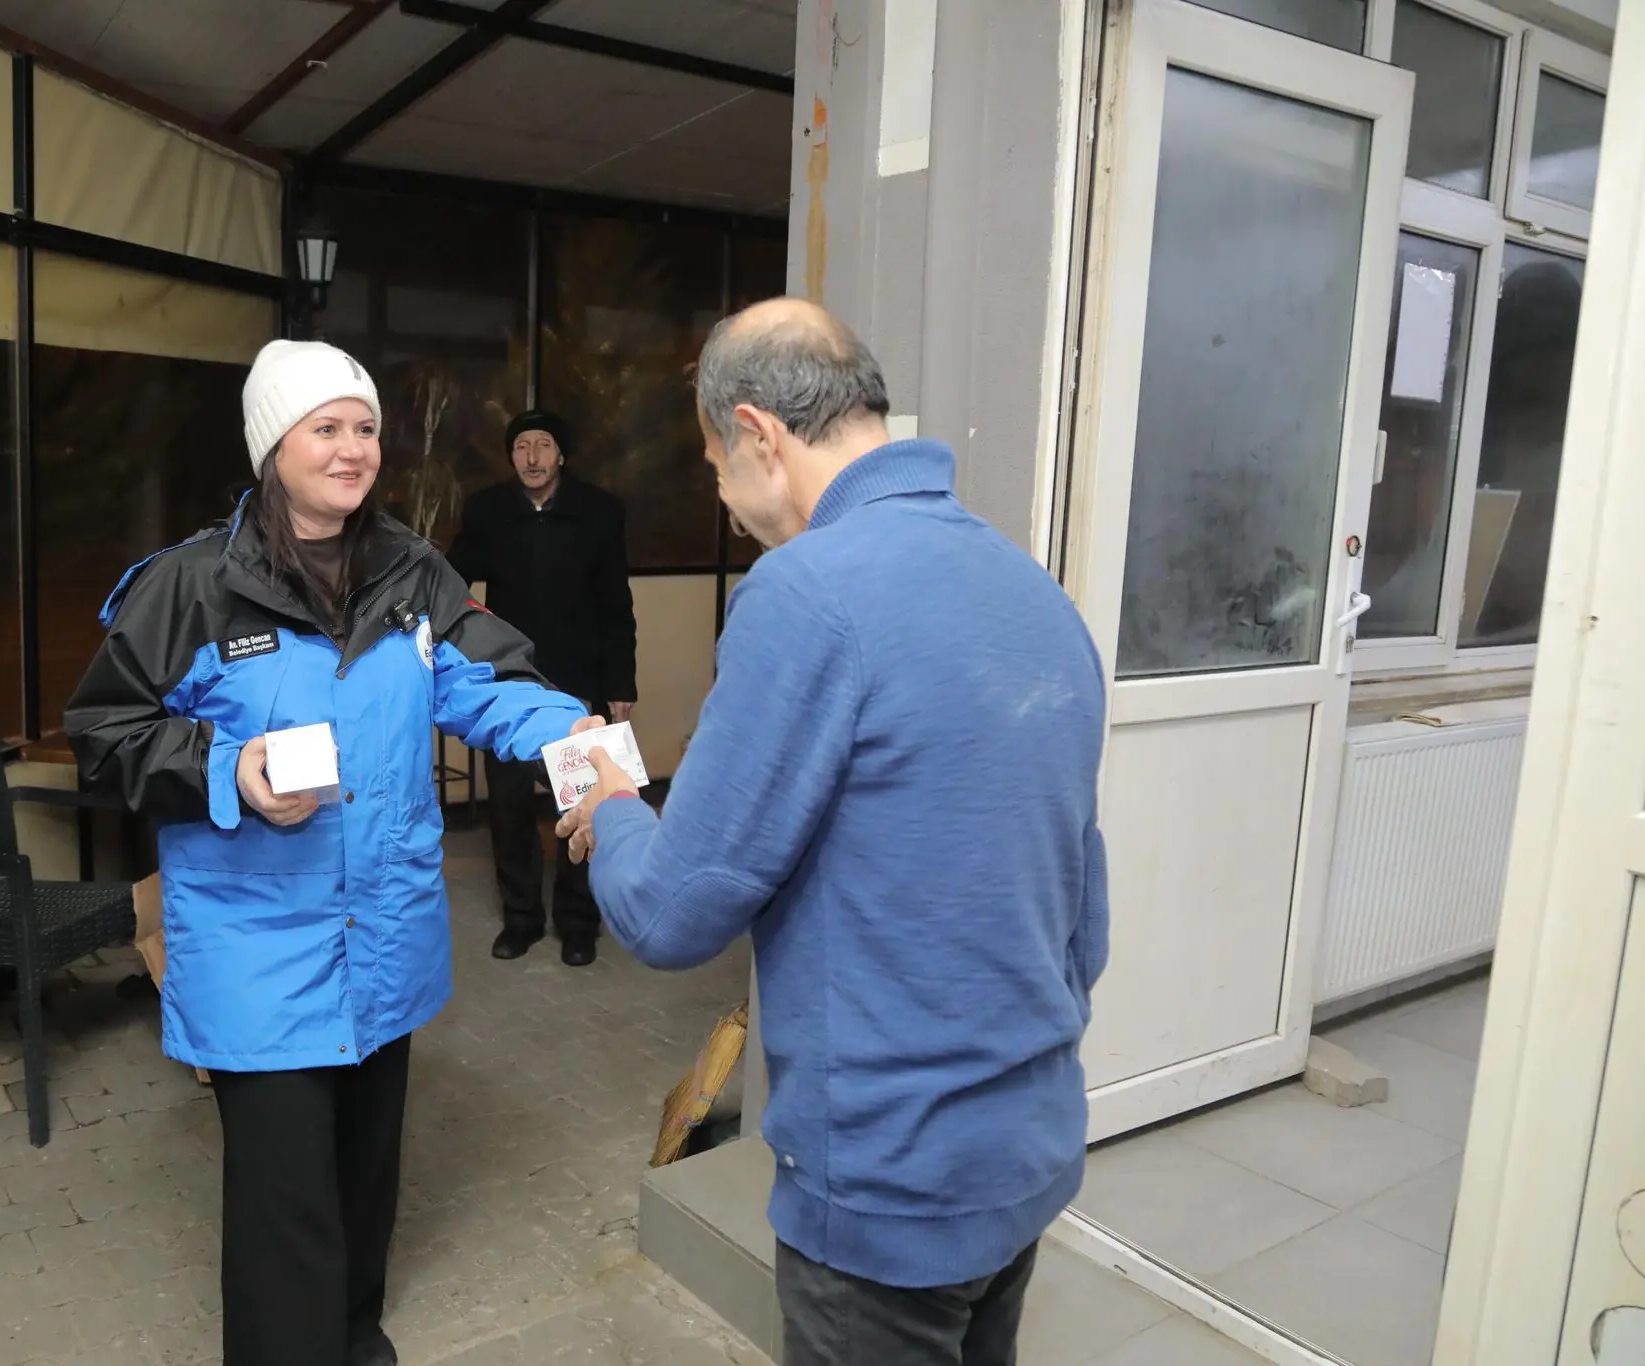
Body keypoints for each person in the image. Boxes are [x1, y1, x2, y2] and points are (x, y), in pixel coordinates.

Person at [555, 299, 1109, 1366]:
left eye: (716, 469)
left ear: (759, 435)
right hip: (1025, 1145)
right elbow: (1080, 910)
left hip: (887, 1188)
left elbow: (674, 909)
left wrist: (615, 808)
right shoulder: (1031, 589)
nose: (723, 506)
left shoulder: (805, 593)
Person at [64, 341, 596, 1366]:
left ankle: (355, 1342)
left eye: (364, 428)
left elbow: (488, 681)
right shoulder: (188, 587)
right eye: (327, 427)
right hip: (256, 945)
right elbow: (104, 729)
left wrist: (571, 734)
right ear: (274, 445)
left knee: (362, 1175)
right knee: (285, 1202)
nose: (353, 448)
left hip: (385, 931)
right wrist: (229, 767)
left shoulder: (411, 572)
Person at [446, 409, 636, 966]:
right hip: (507, 683)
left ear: (561, 456)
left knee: (580, 801)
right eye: (521, 446)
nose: (531, 457)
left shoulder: (598, 511)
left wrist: (620, 682)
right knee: (507, 808)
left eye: (543, 445)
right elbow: (450, 583)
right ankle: (521, 919)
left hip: (579, 680)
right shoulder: (489, 510)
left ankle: (579, 925)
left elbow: (616, 606)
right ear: (512, 456)